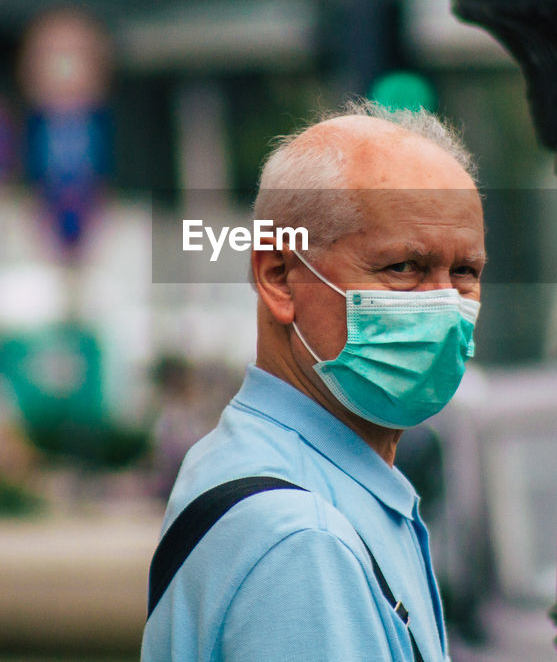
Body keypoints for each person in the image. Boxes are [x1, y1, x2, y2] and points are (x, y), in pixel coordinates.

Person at [142, 101, 486, 662]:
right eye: (403, 268)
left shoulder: (262, 464)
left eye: (465, 272)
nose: (444, 305)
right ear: (279, 277)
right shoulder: (304, 541)